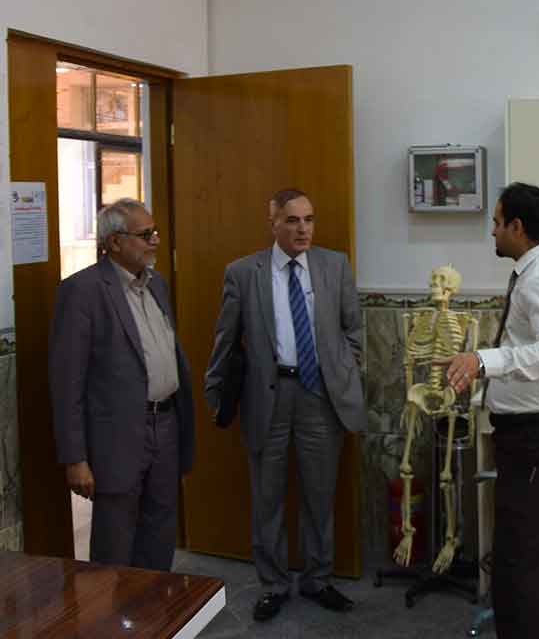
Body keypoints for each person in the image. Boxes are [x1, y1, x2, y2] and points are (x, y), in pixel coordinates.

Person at [204, 188, 365, 622]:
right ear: (273, 222)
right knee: (268, 496)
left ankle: (318, 578)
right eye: (292, 220)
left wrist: (344, 372)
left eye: (309, 219)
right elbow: (225, 338)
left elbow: (353, 329)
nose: (303, 229)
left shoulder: (334, 265)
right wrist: (215, 390)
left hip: (319, 395)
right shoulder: (244, 273)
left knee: (319, 493)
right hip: (268, 396)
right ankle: (273, 584)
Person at [445, 182, 539, 639]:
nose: (492, 231)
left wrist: (484, 361)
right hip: (532, 436)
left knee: (519, 561)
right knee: (535, 554)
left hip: (535, 438)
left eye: (497, 222)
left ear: (517, 227)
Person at [48, 198, 195, 570]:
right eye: (145, 235)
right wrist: (75, 458)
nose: (155, 241)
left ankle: (155, 606)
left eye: (154, 232)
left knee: (160, 532)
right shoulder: (82, 291)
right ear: (114, 242)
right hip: (117, 436)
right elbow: (67, 383)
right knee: (115, 544)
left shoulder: (157, 285)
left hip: (166, 425)